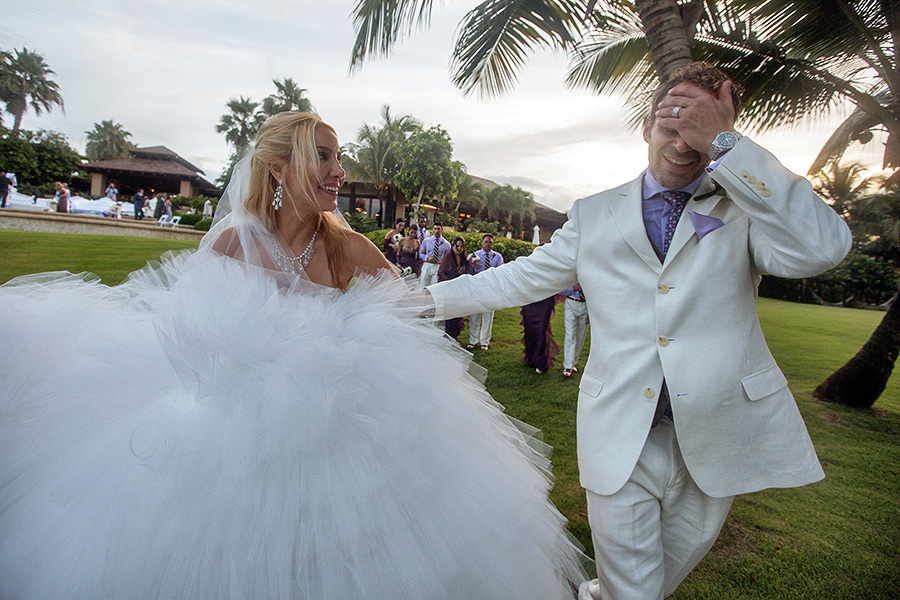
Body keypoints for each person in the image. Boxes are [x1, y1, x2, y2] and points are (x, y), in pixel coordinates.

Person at [0, 111, 589, 599]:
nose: (340, 170)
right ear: (278, 168)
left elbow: (414, 306)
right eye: (325, 156)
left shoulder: (349, 248)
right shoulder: (233, 242)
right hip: (232, 442)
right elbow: (186, 336)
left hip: (338, 441)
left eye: (339, 156)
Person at [425, 63, 852, 600]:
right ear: (647, 128)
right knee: (634, 590)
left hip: (715, 431)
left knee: (662, 576)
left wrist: (727, 144)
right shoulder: (594, 213)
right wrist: (427, 301)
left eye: (697, 131)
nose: (681, 145)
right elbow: (523, 277)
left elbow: (823, 248)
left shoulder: (744, 207)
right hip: (621, 426)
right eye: (671, 127)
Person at [466, 233, 504, 350]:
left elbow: (501, 272)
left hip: (491, 288)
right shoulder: (474, 255)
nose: (488, 244)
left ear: (493, 244)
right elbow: (469, 272)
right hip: (478, 287)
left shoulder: (497, 257)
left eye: (490, 242)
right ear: (482, 243)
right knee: (475, 315)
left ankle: (484, 342)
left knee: (488, 315)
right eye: (486, 242)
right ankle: (473, 340)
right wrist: (474, 267)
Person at [437, 235, 468, 341]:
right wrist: (450, 284)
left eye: (461, 246)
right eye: (457, 246)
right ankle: (448, 335)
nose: (459, 249)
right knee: (450, 314)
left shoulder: (464, 259)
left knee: (458, 313)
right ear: (453, 246)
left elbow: (467, 272)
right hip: (449, 289)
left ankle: (455, 335)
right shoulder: (448, 258)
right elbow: (441, 272)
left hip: (460, 290)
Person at [520, 295, 559, 374]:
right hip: (529, 300)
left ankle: (540, 362)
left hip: (544, 301)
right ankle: (530, 356)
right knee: (529, 330)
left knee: (541, 331)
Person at [561, 284, 588, 378]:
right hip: (571, 303)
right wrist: (573, 288)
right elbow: (560, 289)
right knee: (570, 335)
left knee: (581, 336)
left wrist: (590, 312)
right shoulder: (569, 272)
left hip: (585, 305)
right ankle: (567, 366)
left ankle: (573, 363)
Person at [417, 222, 449, 289]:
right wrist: (426, 257)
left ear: (442, 229)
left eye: (438, 229)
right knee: (423, 286)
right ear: (432, 229)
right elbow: (420, 254)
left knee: (434, 287)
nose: (437, 231)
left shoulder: (446, 244)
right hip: (427, 265)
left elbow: (448, 258)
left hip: (438, 266)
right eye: (435, 229)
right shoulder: (426, 241)